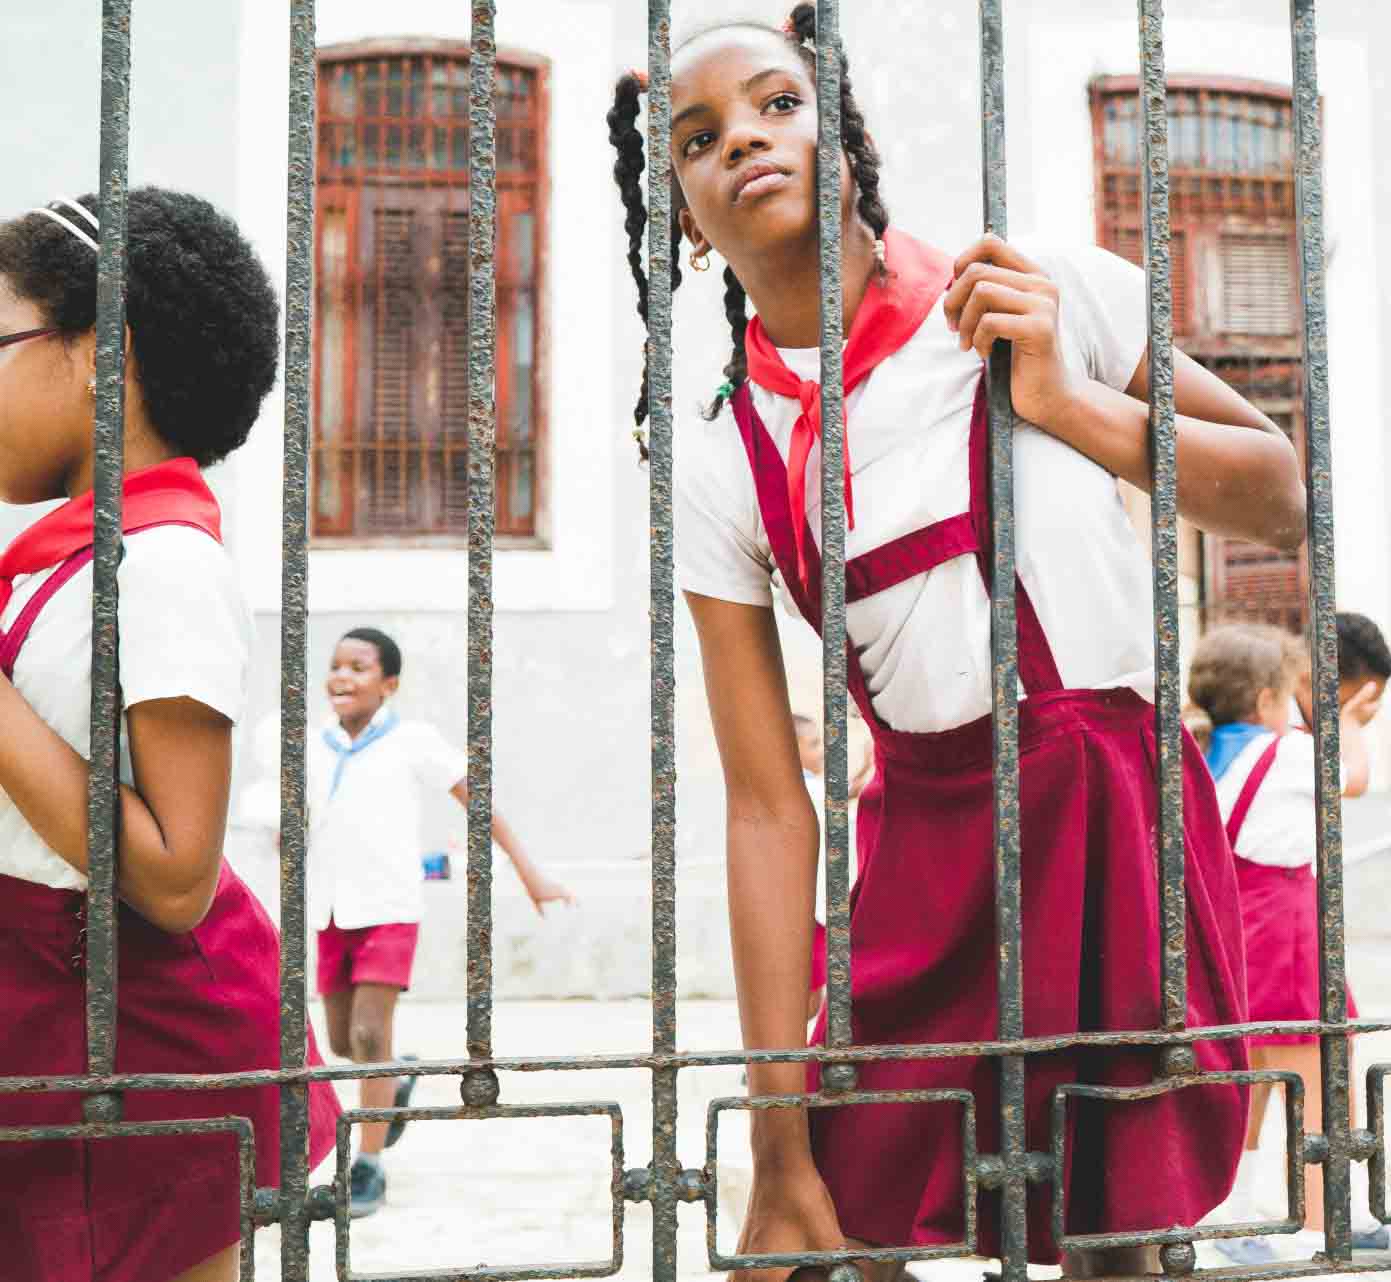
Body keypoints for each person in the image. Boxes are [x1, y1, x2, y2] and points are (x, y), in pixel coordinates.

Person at [608, 5, 1307, 1275]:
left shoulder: (1034, 291)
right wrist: (773, 1144)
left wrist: (1065, 399)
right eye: (698, 139)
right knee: (848, 1206)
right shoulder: (720, 453)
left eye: (778, 104)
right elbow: (765, 806)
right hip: (925, 846)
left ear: (846, 141)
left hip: (1112, 811)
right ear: (682, 218)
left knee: (1113, 1234)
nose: (744, 141)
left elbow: (1279, 496)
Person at [0, 189, 340, 1282]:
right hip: (50, 1018)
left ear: (102, 357)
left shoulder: (167, 566)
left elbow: (177, 876)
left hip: (144, 1037)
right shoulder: (65, 561)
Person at [303, 625, 575, 1218]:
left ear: (389, 684)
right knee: (344, 1043)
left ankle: (368, 1163)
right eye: (337, 666)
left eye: (358, 668)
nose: (342, 677)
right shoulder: (313, 744)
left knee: (370, 1036)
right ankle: (397, 1079)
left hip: (390, 910)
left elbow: (478, 802)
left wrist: (529, 872)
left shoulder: (411, 740)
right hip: (331, 910)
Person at [1188, 616, 1391, 1261]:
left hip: (1238, 921)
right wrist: (1350, 723)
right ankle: (1325, 1221)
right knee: (1319, 1072)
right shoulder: (1283, 753)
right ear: (1266, 701)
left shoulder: (1207, 752)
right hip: (1285, 923)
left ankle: (1234, 1214)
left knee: (1253, 1074)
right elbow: (1354, 777)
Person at [792, 712, 872, 1023]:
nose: (822, 750)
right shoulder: (802, 785)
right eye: (813, 744)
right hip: (812, 907)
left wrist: (866, 768)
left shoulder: (809, 784)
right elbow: (842, 797)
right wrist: (868, 767)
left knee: (815, 990)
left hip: (817, 904)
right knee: (811, 993)